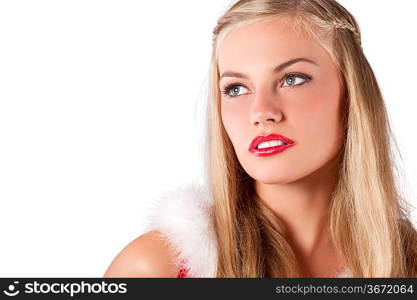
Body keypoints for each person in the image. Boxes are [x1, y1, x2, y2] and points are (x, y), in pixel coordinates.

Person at [104, 0, 417, 278]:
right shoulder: (158, 268)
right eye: (236, 88)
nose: (261, 112)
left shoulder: (408, 264)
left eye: (292, 79)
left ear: (352, 94)